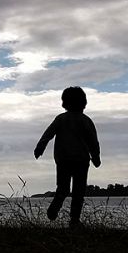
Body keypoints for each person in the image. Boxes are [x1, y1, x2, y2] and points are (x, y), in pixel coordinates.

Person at [33, 86, 101, 227]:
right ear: (84, 103)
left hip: (63, 159)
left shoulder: (61, 119)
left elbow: (48, 134)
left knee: (63, 188)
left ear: (64, 103)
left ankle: (55, 207)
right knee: (78, 192)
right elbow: (93, 141)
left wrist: (40, 147)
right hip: (81, 161)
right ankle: (74, 220)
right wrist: (96, 157)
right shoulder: (86, 120)